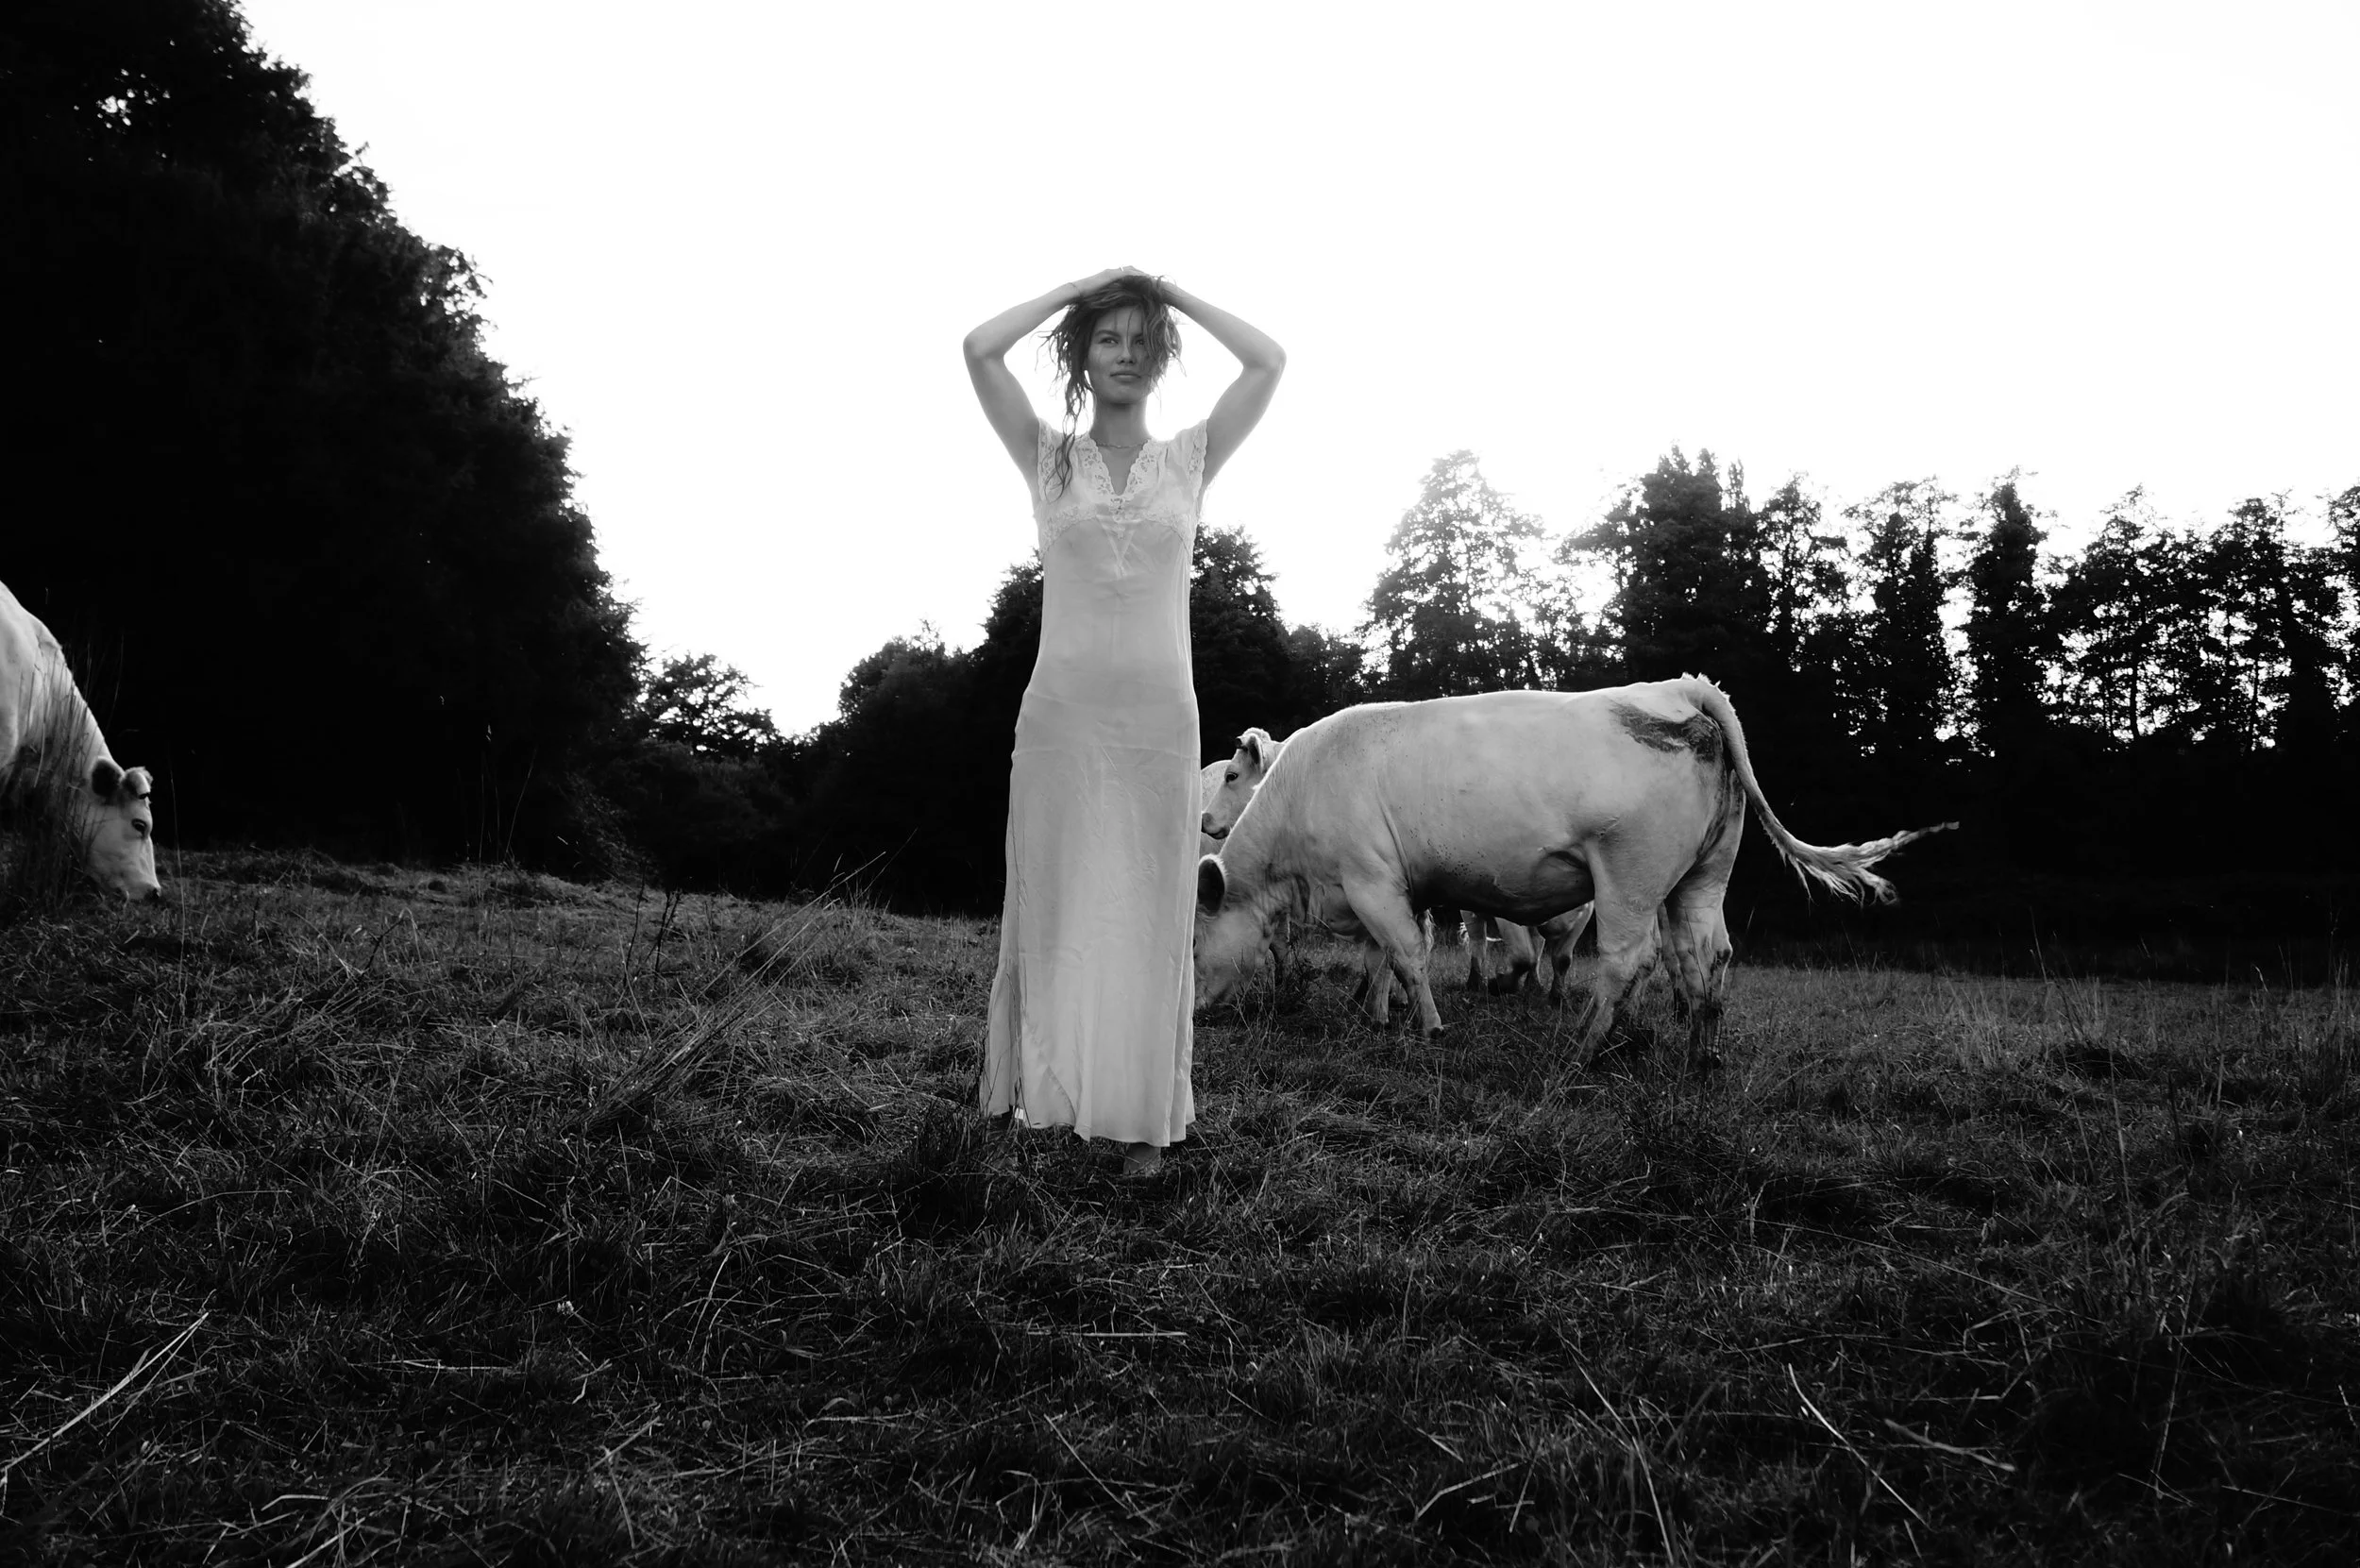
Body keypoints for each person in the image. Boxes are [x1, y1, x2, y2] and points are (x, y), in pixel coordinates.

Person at [963, 268, 1284, 1175]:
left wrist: (1173, 297)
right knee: (1056, 905)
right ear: (1082, 353)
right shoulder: (1049, 458)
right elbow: (978, 349)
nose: (1128, 354)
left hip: (1157, 723)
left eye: (1145, 341)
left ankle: (1141, 1125)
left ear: (1162, 355)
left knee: (1148, 911)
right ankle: (1047, 1101)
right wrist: (1080, 290)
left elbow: (1268, 359)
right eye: (1110, 338)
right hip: (1061, 718)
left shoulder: (1187, 459)